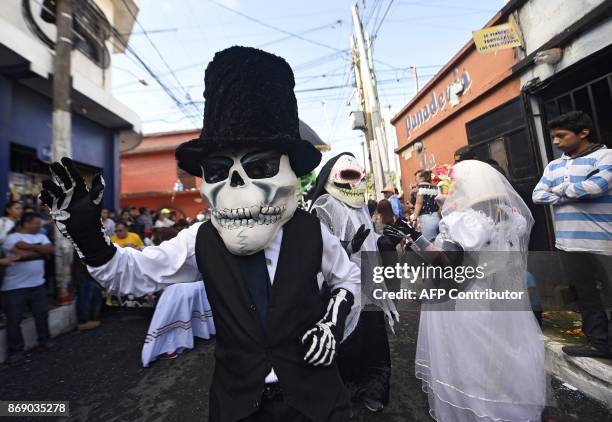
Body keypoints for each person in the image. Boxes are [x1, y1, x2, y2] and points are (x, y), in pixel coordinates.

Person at [41, 46, 361, 422]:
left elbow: (349, 278)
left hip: (316, 400)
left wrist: (332, 322)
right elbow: (133, 274)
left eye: (261, 166)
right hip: (240, 405)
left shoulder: (312, 230)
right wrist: (87, 237)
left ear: (290, 174)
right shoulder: (200, 240)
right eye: (218, 171)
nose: (235, 186)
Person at [389, 160, 547, 421]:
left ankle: (481, 412)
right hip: (500, 294)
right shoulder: (509, 215)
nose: (444, 193)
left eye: (449, 187)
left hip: (468, 297)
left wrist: (414, 238)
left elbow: (445, 261)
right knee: (502, 352)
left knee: (472, 358)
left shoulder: (465, 221)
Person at [310, 152, 397, 413]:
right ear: (333, 177)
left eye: (359, 176)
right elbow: (316, 252)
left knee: (373, 341)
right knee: (346, 342)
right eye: (348, 175)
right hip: (339, 290)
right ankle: (344, 393)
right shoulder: (324, 205)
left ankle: (373, 391)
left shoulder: (361, 206)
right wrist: (346, 249)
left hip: (368, 286)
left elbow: (369, 242)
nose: (354, 183)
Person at [532, 110, 612, 358]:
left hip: (603, 241)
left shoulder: (606, 156)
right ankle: (599, 343)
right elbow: (538, 195)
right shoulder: (554, 165)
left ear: (583, 133)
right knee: (586, 294)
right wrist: (575, 191)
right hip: (568, 242)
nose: (556, 142)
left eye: (561, 136)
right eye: (553, 137)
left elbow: (598, 186)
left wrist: (560, 190)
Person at [1, 212, 54, 364]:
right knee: (14, 320)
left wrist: (28, 248)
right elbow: (23, 255)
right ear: (26, 223)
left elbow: (50, 250)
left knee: (42, 315)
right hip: (14, 288)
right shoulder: (12, 238)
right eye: (37, 223)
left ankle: (44, 341)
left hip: (38, 285)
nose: (39, 226)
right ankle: (15, 351)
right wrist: (39, 250)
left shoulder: (41, 237)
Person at [72, 250, 103, 330]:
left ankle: (92, 318)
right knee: (85, 299)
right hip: (83, 277)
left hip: (87, 276)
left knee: (96, 297)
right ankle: (83, 322)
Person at [410, 169, 440, 241]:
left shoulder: (421, 187)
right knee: (437, 241)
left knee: (430, 244)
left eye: (417, 178)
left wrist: (414, 219)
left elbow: (419, 203)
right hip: (437, 217)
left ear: (422, 178)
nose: (416, 180)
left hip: (426, 219)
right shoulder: (435, 187)